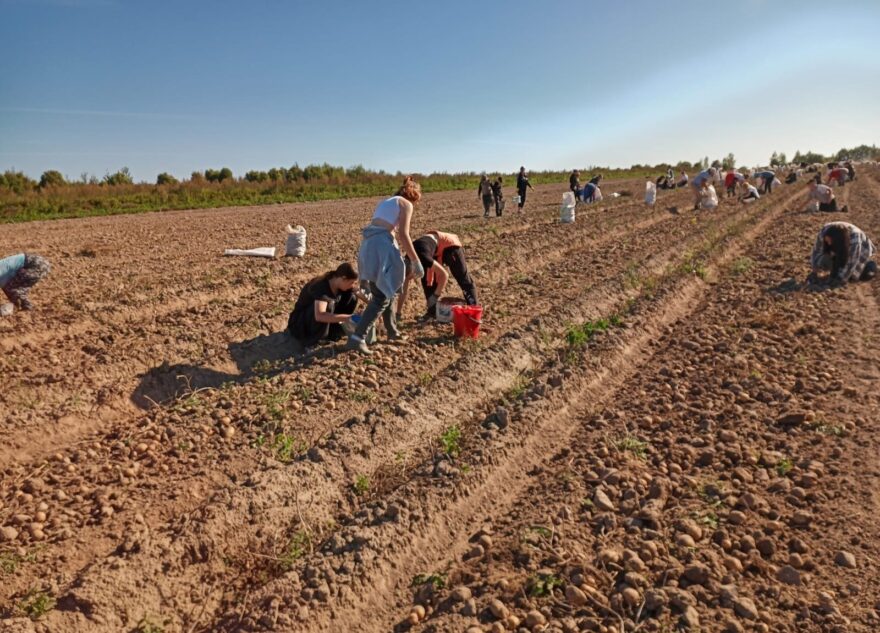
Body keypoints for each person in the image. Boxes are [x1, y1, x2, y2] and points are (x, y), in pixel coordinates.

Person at [345, 176, 424, 355]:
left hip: (368, 246)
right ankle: (357, 338)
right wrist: (415, 260)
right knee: (381, 297)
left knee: (388, 290)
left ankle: (392, 332)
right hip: (381, 246)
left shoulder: (388, 201)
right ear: (414, 196)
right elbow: (404, 234)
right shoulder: (406, 204)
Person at [398, 231, 478, 320]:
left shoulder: (423, 258)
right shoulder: (407, 262)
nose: (411, 279)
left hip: (449, 246)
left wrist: (435, 296)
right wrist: (398, 313)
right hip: (433, 250)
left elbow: (445, 275)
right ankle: (432, 312)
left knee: (462, 278)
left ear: (414, 268)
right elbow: (403, 290)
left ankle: (474, 310)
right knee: (427, 282)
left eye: (411, 277)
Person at [288, 263, 360, 353]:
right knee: (328, 306)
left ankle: (333, 333)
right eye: (351, 282)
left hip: (317, 319)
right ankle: (314, 342)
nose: (353, 285)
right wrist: (348, 318)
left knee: (352, 296)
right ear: (343, 278)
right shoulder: (321, 288)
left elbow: (361, 294)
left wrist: (376, 309)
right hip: (301, 323)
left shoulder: (339, 284)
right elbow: (320, 315)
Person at [808, 222, 876, 286]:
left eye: (829, 241)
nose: (828, 243)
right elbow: (816, 251)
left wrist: (841, 279)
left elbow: (852, 261)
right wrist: (814, 271)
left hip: (860, 251)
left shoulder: (855, 239)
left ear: (837, 239)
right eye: (827, 241)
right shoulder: (823, 233)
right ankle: (838, 271)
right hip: (840, 247)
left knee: (860, 275)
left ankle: (870, 265)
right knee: (824, 261)